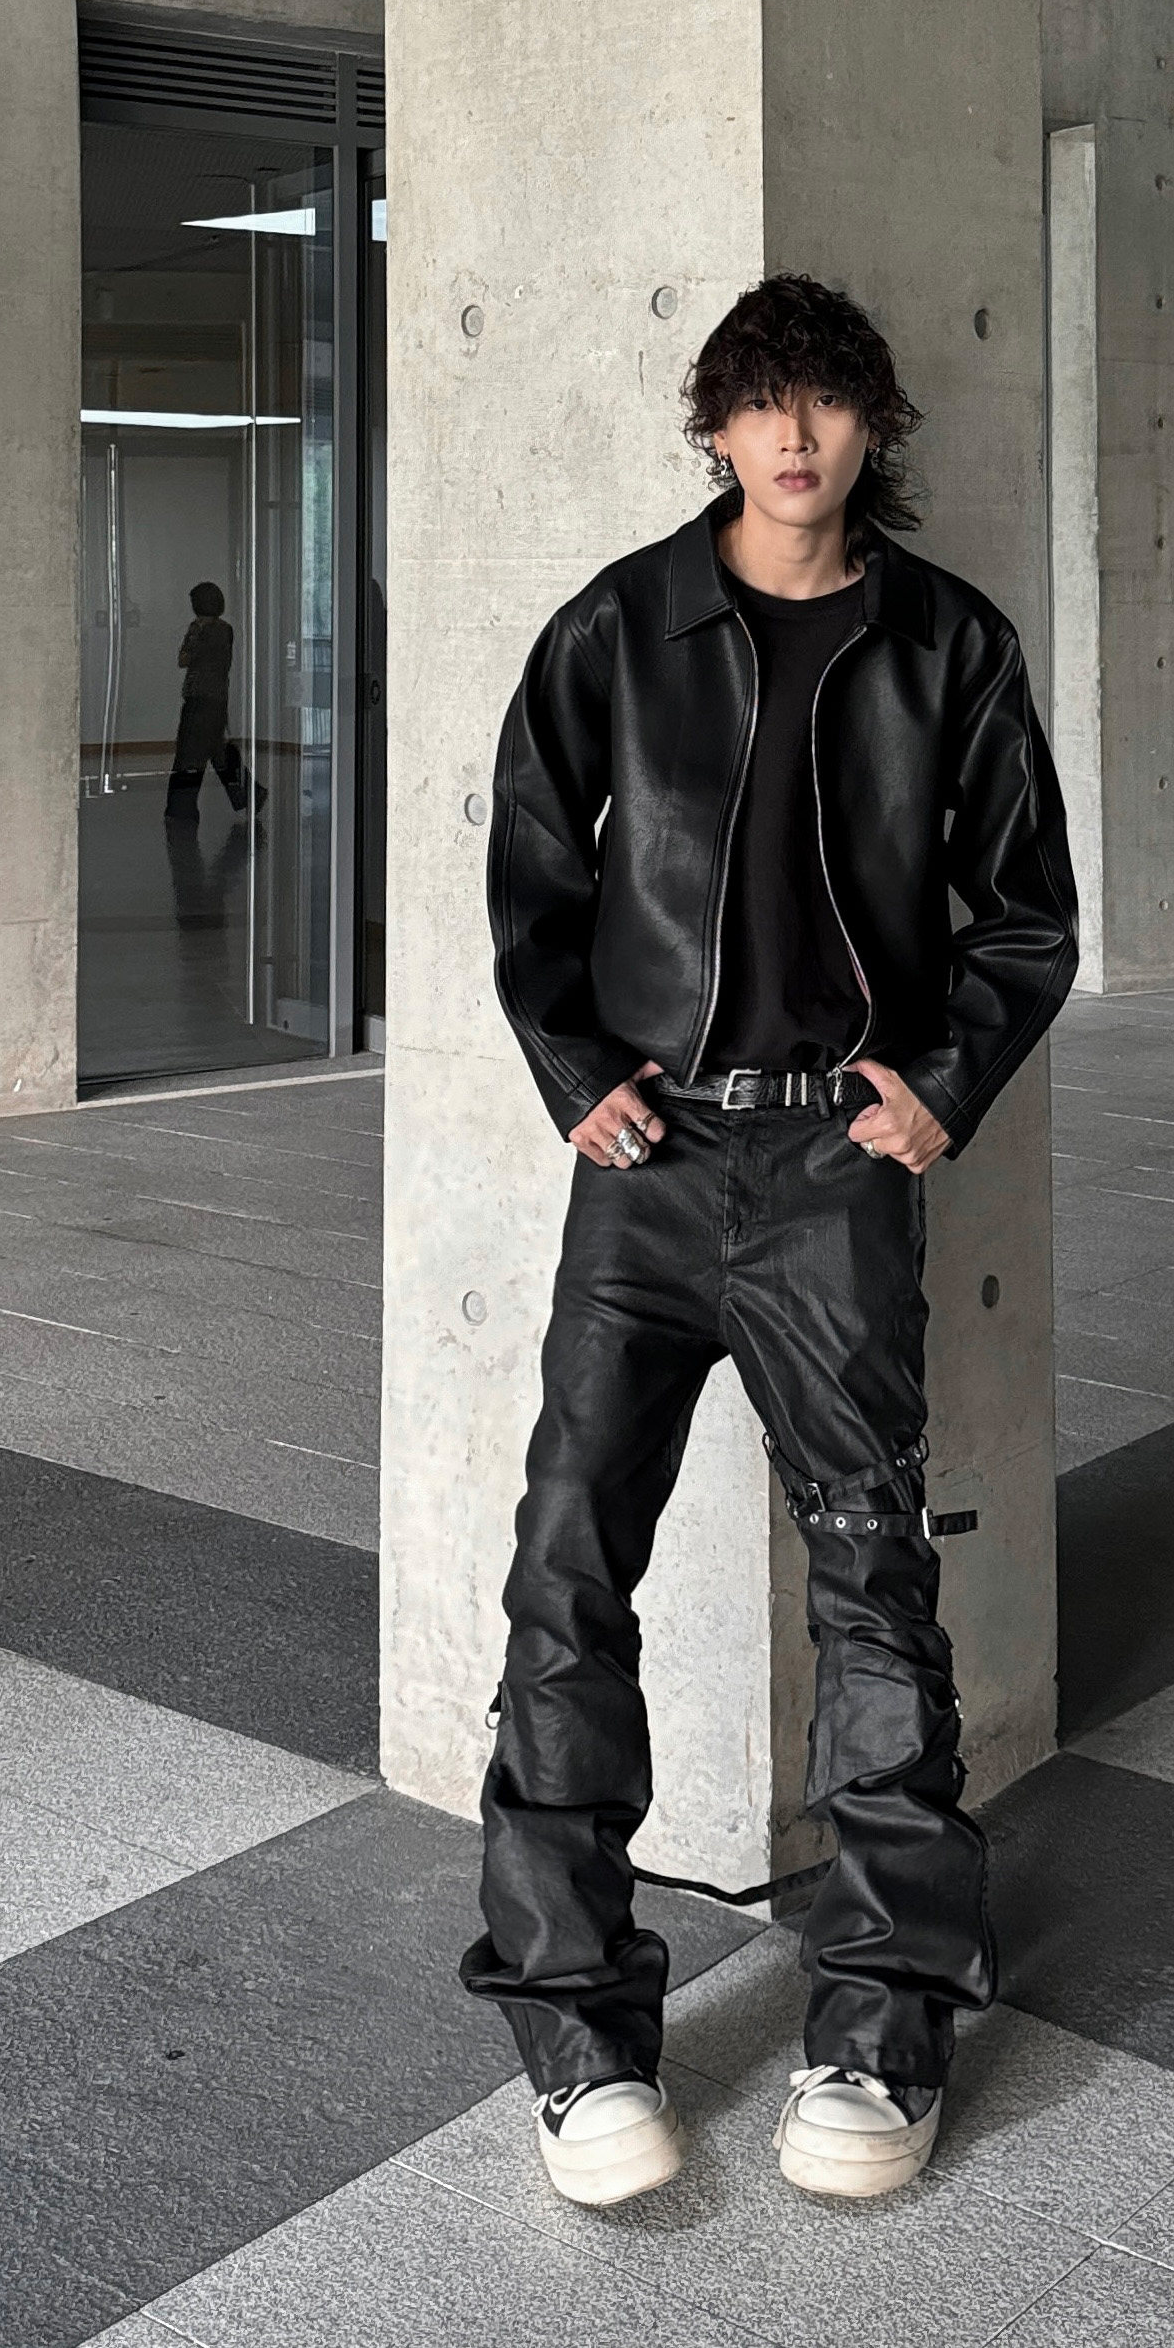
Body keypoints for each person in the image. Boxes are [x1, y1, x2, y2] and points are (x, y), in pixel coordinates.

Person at [466, 272, 1077, 2210]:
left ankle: (884, 2024)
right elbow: (529, 864)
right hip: (647, 1166)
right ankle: (575, 2036)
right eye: (759, 402)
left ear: (870, 426)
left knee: (873, 1578)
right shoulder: (620, 627)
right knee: (569, 1572)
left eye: (824, 401)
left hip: (832, 1169)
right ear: (715, 428)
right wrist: (574, 1067)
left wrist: (942, 1084)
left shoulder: (946, 643)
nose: (793, 434)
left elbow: (1024, 908)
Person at [164, 581, 260, 819]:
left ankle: (181, 807)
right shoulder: (225, 629)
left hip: (200, 699)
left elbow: (184, 659)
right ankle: (251, 793)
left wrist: (193, 634)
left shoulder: (202, 630)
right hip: (216, 698)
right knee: (217, 752)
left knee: (190, 755)